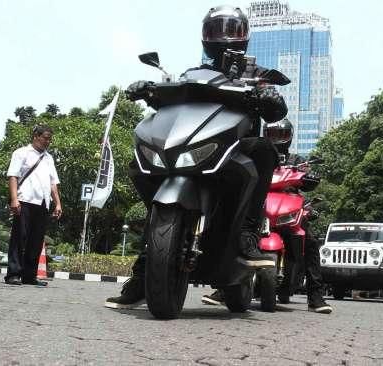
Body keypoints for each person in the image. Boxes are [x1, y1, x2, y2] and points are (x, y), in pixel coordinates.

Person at [105, 5, 287, 309]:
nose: (224, 36)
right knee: (147, 188)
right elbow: (175, 101)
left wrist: (269, 97)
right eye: (217, 30)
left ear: (244, 36)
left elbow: (275, 109)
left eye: (231, 30)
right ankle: (142, 276)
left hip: (236, 145)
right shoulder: (193, 74)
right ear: (205, 36)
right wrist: (149, 90)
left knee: (265, 153)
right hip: (197, 147)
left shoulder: (256, 74)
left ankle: (247, 234)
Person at [202, 119, 333, 314]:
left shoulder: (297, 160)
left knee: (311, 241)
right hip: (259, 203)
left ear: (289, 137)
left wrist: (309, 178)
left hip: (289, 206)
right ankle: (225, 289)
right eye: (272, 135)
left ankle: (316, 296)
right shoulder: (257, 156)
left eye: (281, 135)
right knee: (234, 232)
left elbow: (308, 177)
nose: (277, 139)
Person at [4, 125, 62, 286]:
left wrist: (57, 204)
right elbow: (13, 176)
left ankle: (30, 275)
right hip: (25, 200)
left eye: (50, 139)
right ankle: (13, 274)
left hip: (43, 203)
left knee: (36, 240)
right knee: (19, 237)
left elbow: (53, 183)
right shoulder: (21, 153)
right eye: (45, 138)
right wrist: (14, 199)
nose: (48, 142)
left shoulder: (49, 158)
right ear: (36, 136)